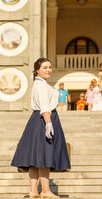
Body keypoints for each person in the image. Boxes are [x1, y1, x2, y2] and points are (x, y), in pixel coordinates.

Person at [11, 58, 70, 198]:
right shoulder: (42, 85)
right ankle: (45, 190)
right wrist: (48, 123)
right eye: (45, 67)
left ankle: (33, 190)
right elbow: (44, 105)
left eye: (49, 67)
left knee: (35, 157)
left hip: (37, 120)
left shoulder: (40, 84)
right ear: (37, 70)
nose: (48, 70)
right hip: (44, 119)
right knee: (45, 156)